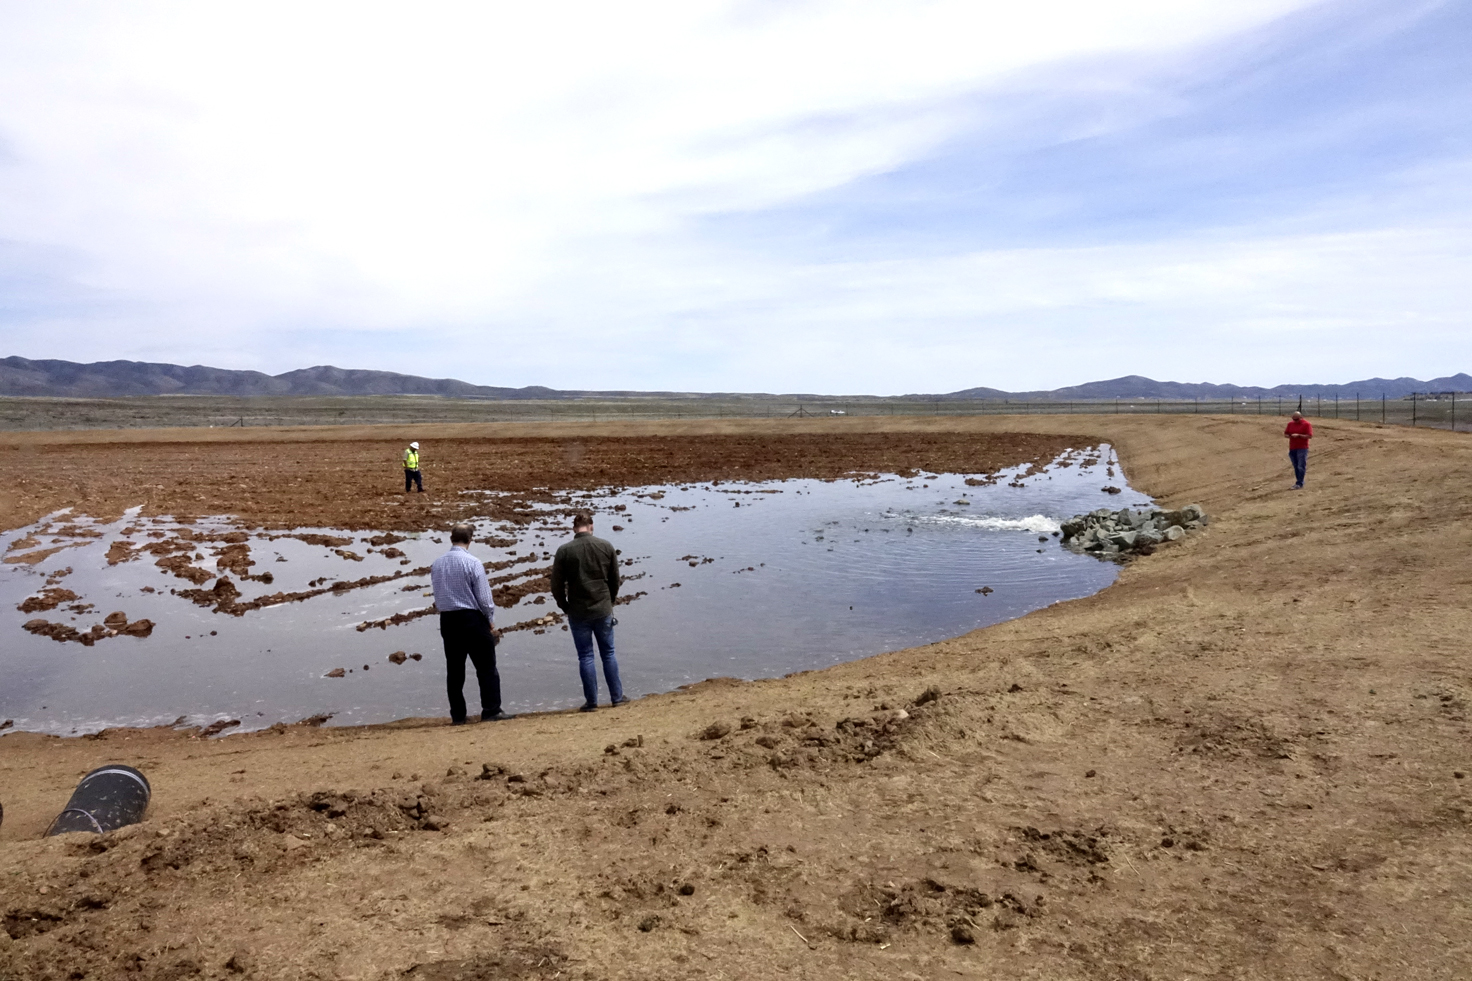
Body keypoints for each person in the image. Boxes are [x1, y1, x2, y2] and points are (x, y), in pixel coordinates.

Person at [429, 523, 512, 724]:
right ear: (470, 539)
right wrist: (490, 620)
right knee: (486, 667)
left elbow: (438, 593)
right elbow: (484, 598)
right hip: (471, 618)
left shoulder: (437, 564)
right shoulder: (473, 562)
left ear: (452, 539)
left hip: (448, 619)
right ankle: (491, 710)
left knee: (455, 670)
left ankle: (458, 715)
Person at [550, 511, 627, 712]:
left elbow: (556, 586)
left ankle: (592, 702)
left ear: (574, 529)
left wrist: (564, 606)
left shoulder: (564, 551)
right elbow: (614, 580)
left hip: (578, 611)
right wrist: (609, 602)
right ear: (591, 526)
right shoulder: (606, 546)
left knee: (586, 656)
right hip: (602, 607)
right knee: (608, 653)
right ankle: (617, 697)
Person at [1283, 411, 1313, 489]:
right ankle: (1299, 481)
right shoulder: (1290, 424)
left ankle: (1300, 483)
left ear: (1301, 417)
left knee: (1301, 466)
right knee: (1296, 466)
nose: (1294, 421)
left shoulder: (1306, 424)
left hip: (1302, 448)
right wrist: (1290, 435)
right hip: (1293, 447)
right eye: (1293, 419)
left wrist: (1299, 435)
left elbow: (1309, 436)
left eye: (1296, 419)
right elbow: (1286, 434)